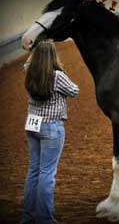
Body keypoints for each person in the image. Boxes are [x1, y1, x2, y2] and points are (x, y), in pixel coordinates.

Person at [21, 40, 79, 224]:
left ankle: (28, 217)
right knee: (47, 173)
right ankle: (44, 219)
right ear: (53, 56)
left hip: (32, 124)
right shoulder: (57, 76)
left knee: (33, 171)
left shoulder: (29, 69)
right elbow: (74, 90)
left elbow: (27, 62)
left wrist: (34, 48)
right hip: (51, 126)